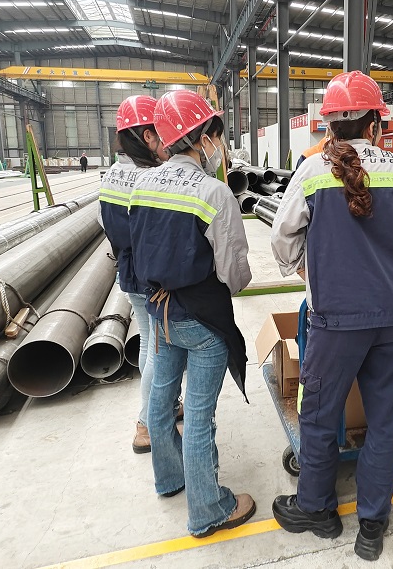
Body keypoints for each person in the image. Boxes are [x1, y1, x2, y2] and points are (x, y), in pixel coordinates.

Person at [270, 71, 393, 562]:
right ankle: (372, 525)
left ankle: (317, 510)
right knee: (385, 418)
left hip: (337, 320)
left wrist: (308, 269)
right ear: (374, 125)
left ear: (329, 126)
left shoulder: (311, 172)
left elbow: (282, 239)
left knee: (320, 414)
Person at [127, 90, 256, 538]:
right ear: (202, 138)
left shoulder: (141, 184)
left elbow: (137, 247)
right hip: (202, 320)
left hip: (160, 313)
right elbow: (234, 272)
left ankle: (169, 478)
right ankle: (207, 509)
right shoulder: (214, 192)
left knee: (160, 401)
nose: (218, 145)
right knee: (199, 416)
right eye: (215, 135)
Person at [99, 95, 176, 454]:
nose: (167, 141)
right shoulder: (151, 177)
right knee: (159, 351)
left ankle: (158, 410)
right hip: (151, 278)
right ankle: (146, 423)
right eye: (162, 133)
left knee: (148, 342)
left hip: (128, 272)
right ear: (147, 136)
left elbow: (106, 225)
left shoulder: (112, 174)